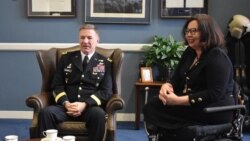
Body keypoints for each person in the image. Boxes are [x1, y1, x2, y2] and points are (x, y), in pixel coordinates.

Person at [143, 14, 236, 141]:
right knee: (152, 106)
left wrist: (178, 101)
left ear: (206, 32)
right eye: (187, 31)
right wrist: (167, 86)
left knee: (157, 110)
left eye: (194, 31)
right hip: (193, 105)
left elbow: (214, 94)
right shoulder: (190, 52)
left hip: (214, 108)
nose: (189, 35)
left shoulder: (217, 56)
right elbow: (175, 79)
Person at [38, 24, 113, 141]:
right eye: (82, 38)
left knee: (99, 115)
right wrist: (66, 103)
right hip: (66, 106)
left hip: (90, 108)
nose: (85, 41)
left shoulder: (105, 63)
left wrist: (85, 104)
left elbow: (106, 91)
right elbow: (57, 85)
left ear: (97, 40)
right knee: (46, 113)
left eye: (89, 38)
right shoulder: (66, 58)